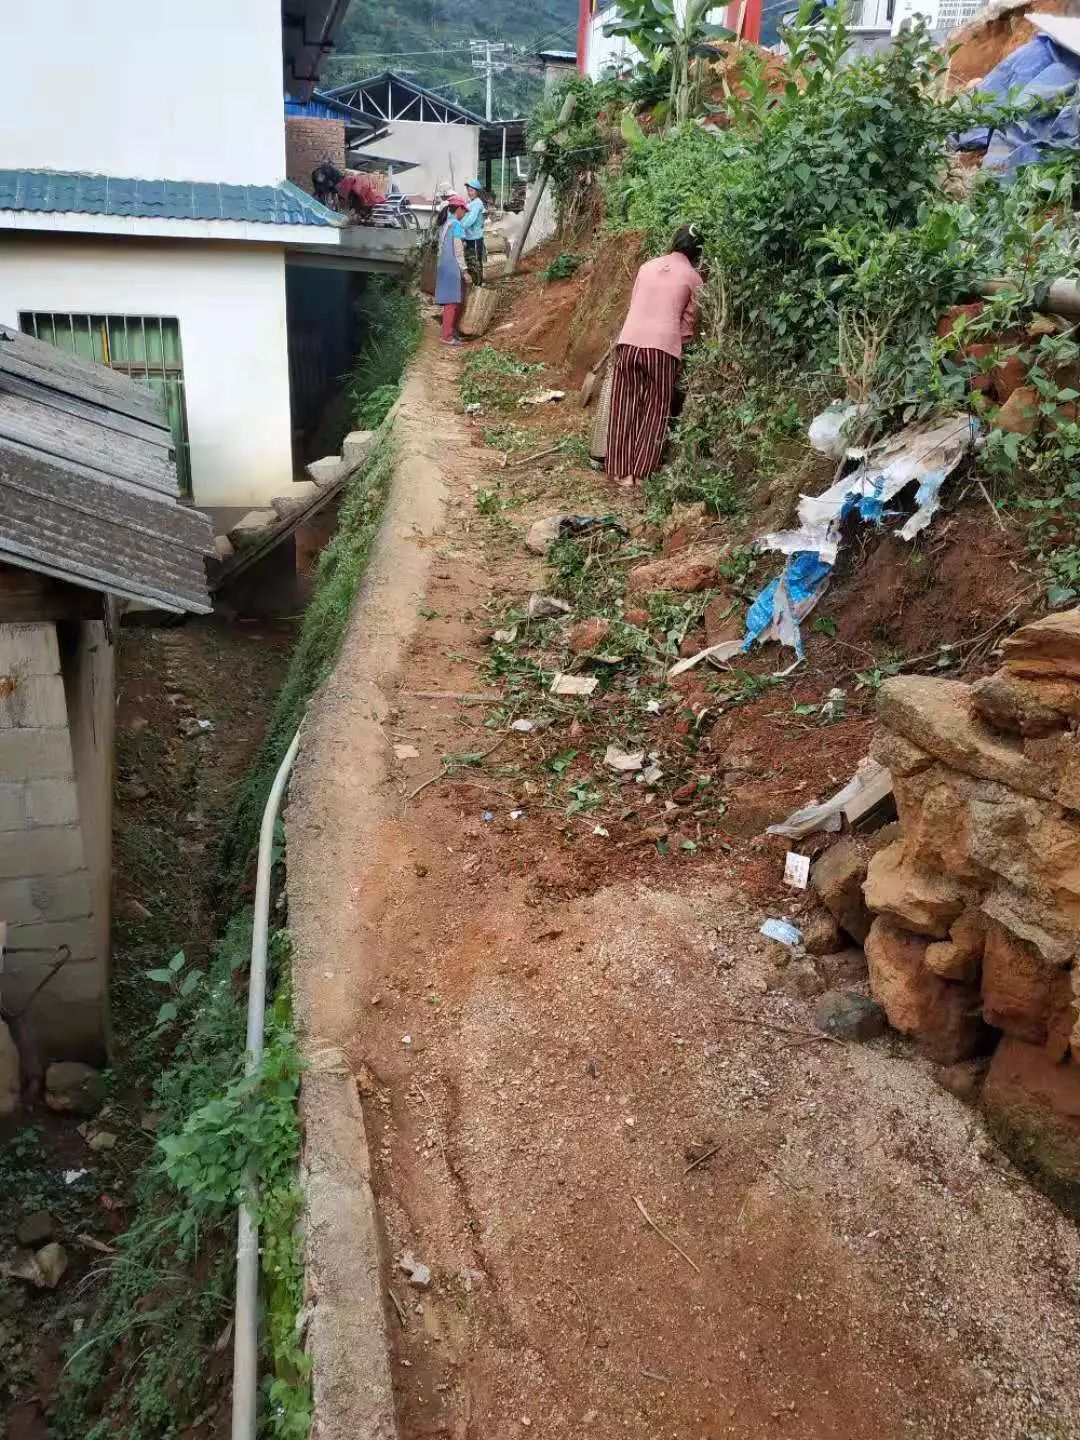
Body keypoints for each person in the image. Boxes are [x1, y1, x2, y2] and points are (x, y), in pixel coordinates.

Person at [606, 224, 704, 487]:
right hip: (662, 348)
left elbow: (635, 303)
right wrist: (680, 350)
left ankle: (620, 471)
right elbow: (688, 325)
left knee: (624, 405)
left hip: (629, 341)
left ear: (674, 242)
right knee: (655, 408)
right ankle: (639, 474)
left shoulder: (647, 266)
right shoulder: (694, 278)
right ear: (697, 252)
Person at [434, 195, 470, 346]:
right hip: (452, 266)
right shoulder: (456, 225)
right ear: (459, 209)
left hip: (443, 264)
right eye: (464, 211)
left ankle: (451, 330)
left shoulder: (445, 224)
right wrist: (465, 270)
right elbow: (458, 250)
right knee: (452, 302)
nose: (465, 214)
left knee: (452, 299)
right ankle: (447, 336)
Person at [460, 180, 487, 287]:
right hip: (469, 237)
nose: (469, 192)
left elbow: (470, 219)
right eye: (468, 190)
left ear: (476, 191)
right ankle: (475, 283)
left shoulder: (477, 203)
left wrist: (459, 226)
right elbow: (464, 216)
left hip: (475, 237)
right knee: (471, 261)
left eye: (471, 190)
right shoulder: (470, 203)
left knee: (476, 261)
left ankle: (479, 285)